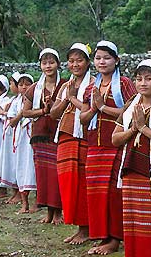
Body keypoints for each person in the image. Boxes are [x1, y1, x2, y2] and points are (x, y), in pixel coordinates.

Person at [112, 60, 151, 257]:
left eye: (149, 78)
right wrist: (134, 129)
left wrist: (142, 128)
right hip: (131, 172)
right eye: (139, 78)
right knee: (133, 228)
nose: (143, 83)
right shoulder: (129, 106)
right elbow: (115, 139)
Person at [81, 40, 136, 256]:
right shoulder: (90, 88)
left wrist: (103, 107)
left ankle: (114, 238)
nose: (102, 62)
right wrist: (95, 107)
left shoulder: (123, 83)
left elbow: (132, 111)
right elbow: (84, 118)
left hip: (116, 144)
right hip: (95, 145)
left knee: (114, 192)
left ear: (116, 60)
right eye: (98, 58)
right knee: (96, 192)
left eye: (107, 57)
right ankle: (101, 234)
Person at [51, 43, 92, 244]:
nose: (75, 65)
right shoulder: (66, 86)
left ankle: (86, 227)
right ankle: (78, 225)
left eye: (79, 60)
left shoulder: (94, 83)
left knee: (82, 182)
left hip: (83, 136)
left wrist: (73, 98)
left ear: (87, 62)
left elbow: (89, 108)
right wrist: (67, 99)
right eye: (72, 61)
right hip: (66, 134)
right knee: (68, 182)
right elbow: (53, 113)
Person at [23, 48, 63, 223]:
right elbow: (25, 112)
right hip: (40, 135)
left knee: (56, 173)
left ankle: (58, 212)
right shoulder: (34, 89)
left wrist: (54, 108)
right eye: (45, 63)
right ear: (40, 65)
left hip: (58, 133)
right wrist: (43, 110)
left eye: (51, 62)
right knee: (43, 174)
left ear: (58, 64)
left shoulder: (65, 85)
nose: (48, 66)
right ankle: (48, 212)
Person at [12, 74, 37, 213]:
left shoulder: (36, 98)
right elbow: (12, 122)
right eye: (21, 84)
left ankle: (38, 201)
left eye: (27, 84)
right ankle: (24, 202)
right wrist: (23, 113)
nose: (24, 87)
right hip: (21, 138)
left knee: (33, 168)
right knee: (21, 167)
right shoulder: (16, 102)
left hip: (32, 138)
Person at [0, 72, 22, 201]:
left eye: (12, 83)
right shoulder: (13, 100)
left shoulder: (21, 100)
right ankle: (14, 190)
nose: (11, 86)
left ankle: (18, 190)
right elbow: (2, 110)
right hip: (9, 133)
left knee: (16, 161)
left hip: (17, 132)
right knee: (10, 161)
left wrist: (5, 112)